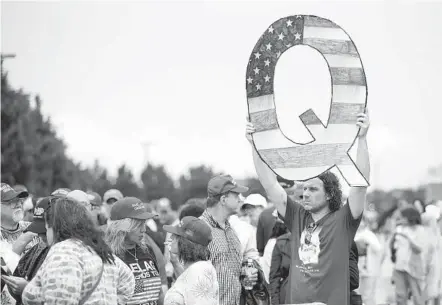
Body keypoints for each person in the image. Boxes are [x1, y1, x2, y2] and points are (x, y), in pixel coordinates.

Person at [246, 111, 370, 305]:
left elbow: (360, 186)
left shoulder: (344, 220)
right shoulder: (297, 216)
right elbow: (270, 184)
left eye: (313, 189)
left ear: (329, 194)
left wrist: (362, 139)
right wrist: (254, 144)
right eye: (304, 189)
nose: (305, 194)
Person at [20, 197, 135, 305]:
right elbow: (128, 284)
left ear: (54, 227)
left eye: (46, 228)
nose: (43, 234)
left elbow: (60, 299)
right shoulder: (98, 249)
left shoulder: (63, 251)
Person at [200, 174, 264, 305]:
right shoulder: (199, 229)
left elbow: (228, 268)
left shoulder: (230, 229)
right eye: (236, 195)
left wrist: (245, 270)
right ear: (223, 199)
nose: (240, 199)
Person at [105, 197, 166, 305]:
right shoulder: (110, 257)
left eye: (144, 224)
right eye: (138, 225)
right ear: (122, 226)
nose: (144, 229)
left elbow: (159, 293)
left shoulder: (147, 250)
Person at [2, 197, 52, 305]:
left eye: (43, 230)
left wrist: (27, 288)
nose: (17, 204)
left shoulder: (66, 253)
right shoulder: (31, 237)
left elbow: (61, 297)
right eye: (9, 201)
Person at [163, 216, 218, 305]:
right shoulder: (197, 268)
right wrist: (175, 262)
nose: (171, 237)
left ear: (186, 242)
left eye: (176, 235)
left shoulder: (198, 272)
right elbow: (187, 285)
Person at [391, 206, 428, 305]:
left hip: (413, 268)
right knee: (400, 296)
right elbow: (394, 247)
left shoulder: (420, 230)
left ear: (410, 217)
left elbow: (419, 249)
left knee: (417, 296)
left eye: (403, 217)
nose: (401, 219)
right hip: (399, 267)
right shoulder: (399, 228)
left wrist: (407, 238)